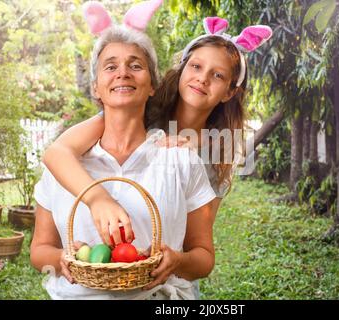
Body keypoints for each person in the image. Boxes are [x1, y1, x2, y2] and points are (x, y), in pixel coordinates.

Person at [41, 9, 273, 297]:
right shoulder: (140, 109)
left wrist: (174, 261)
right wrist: (98, 200)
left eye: (217, 75)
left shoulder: (212, 157)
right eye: (196, 67)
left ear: (229, 92)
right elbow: (57, 152)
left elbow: (195, 248)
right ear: (181, 69)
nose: (202, 79)